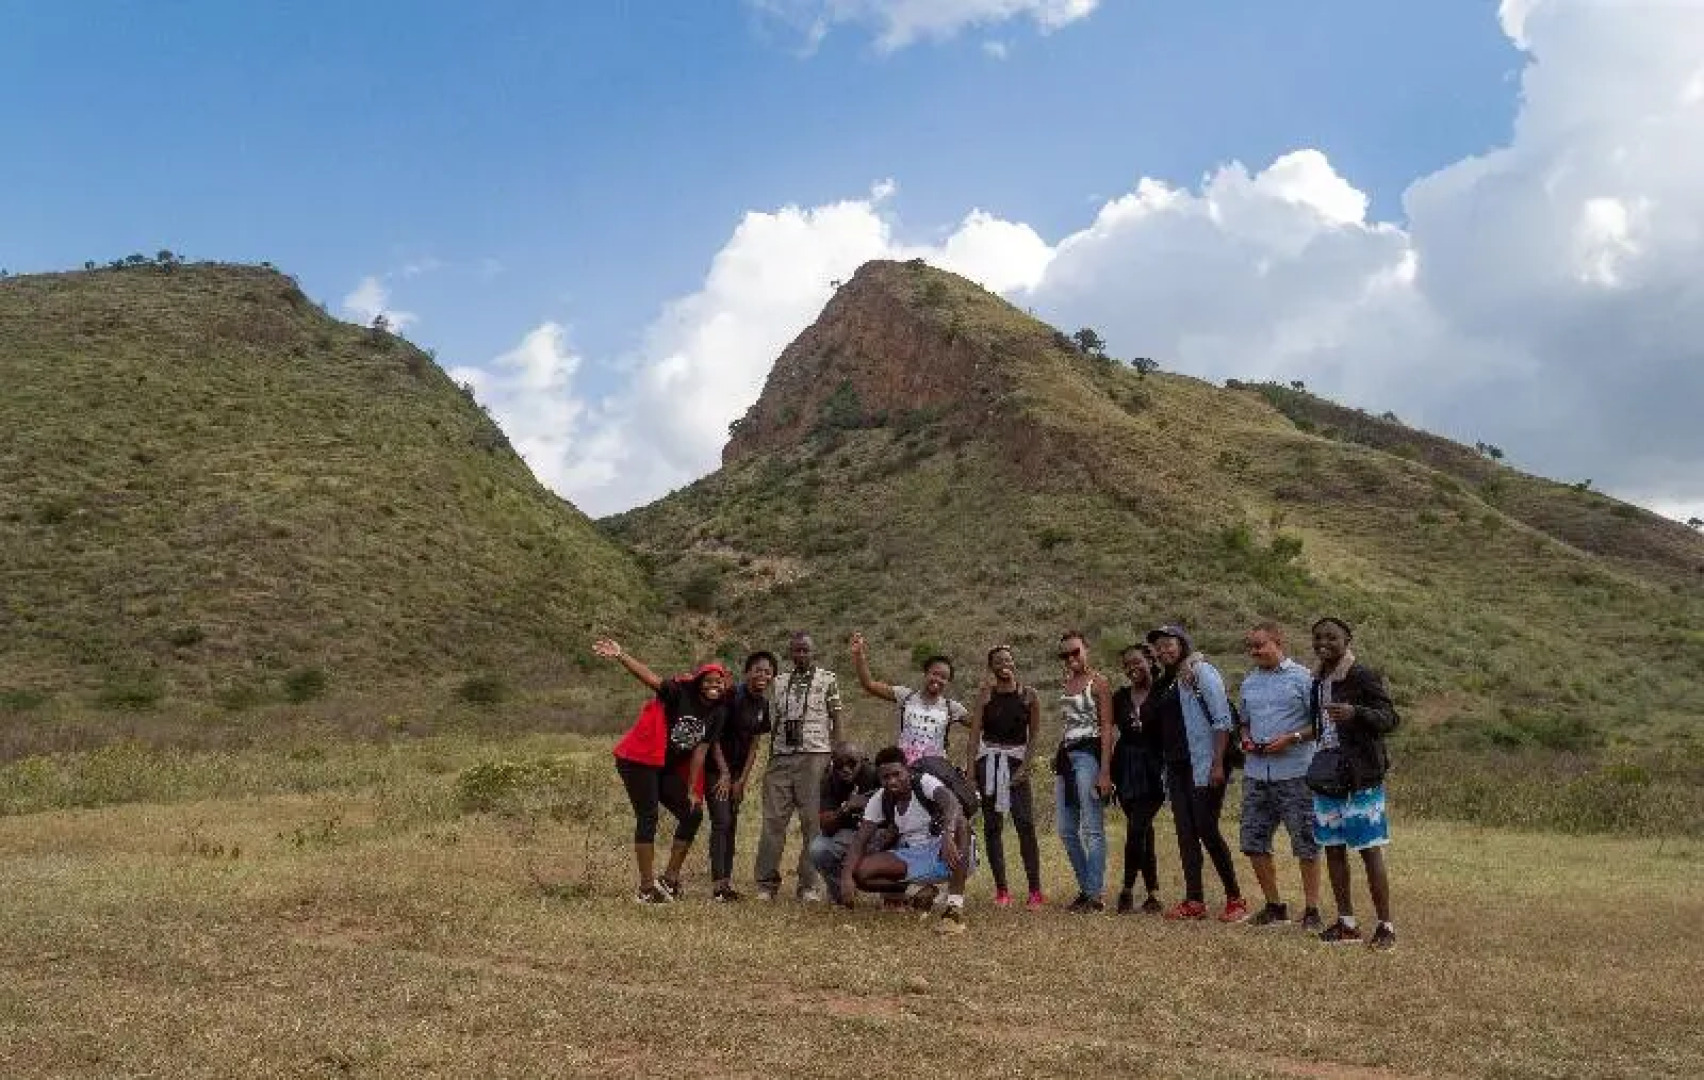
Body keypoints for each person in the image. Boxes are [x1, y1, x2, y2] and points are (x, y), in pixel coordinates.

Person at [596, 638, 728, 904]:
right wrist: (621, 654)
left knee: (692, 813)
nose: (714, 686)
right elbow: (649, 677)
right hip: (638, 760)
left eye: (719, 682)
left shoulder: (717, 712)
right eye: (709, 681)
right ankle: (646, 888)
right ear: (700, 681)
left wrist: (691, 789)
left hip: (663, 766)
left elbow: (700, 752)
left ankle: (668, 880)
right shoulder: (679, 692)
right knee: (648, 816)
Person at [1309, 617, 1401, 950]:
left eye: (1332, 638)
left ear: (1347, 640)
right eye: (1318, 638)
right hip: (1328, 775)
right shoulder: (1316, 680)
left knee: (1368, 850)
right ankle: (1347, 923)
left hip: (1360, 776)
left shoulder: (1361, 675)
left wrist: (1355, 712)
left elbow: (1390, 719)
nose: (1324, 643)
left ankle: (1385, 926)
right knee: (1333, 848)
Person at [1148, 624, 1248, 922]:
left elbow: (1221, 720)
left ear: (1183, 644)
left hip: (1205, 762)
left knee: (1206, 827)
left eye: (1169, 644)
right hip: (1177, 766)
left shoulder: (1201, 671)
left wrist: (1217, 764)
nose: (1164, 650)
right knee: (1185, 833)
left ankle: (1235, 898)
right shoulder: (1165, 681)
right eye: (1159, 646)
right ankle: (1194, 901)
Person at [1237, 623, 1323, 930]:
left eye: (1261, 644)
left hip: (1296, 773)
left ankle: (1312, 909)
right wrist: (1246, 739)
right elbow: (1244, 722)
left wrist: (1292, 738)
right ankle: (1275, 906)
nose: (1255, 651)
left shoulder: (1303, 678)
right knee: (1252, 841)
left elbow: (1321, 724)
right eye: (1251, 646)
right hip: (1257, 773)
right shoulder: (1248, 683)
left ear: (1278, 642)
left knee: (1305, 842)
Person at [840, 745, 975, 935]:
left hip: (948, 852)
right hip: (913, 855)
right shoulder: (880, 799)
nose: (892, 781)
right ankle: (918, 891)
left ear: (907, 770)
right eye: (886, 777)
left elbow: (952, 803)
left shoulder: (924, 782)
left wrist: (947, 834)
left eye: (897, 774)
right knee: (861, 873)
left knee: (962, 824)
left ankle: (953, 911)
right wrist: (846, 877)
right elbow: (859, 840)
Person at [754, 632, 843, 902]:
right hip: (781, 756)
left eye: (805, 650)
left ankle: (808, 886)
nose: (801, 655)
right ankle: (766, 884)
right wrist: (770, 759)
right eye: (796, 651)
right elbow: (775, 722)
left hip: (815, 755)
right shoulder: (779, 682)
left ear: (813, 652)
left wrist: (835, 756)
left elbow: (836, 717)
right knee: (773, 822)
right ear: (790, 653)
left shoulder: (828, 679)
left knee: (811, 823)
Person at [964, 645, 1044, 910]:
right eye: (997, 661)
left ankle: (1034, 890)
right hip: (988, 763)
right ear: (991, 668)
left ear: (1014, 662)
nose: (1003, 664)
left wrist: (1025, 767)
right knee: (992, 826)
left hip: (1015, 764)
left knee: (1025, 824)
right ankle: (1002, 890)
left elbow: (1033, 737)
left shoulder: (1029, 696)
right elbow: (974, 735)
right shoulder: (985, 696)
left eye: (1007, 659)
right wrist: (971, 773)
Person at [1053, 630, 1115, 913]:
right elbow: (1068, 724)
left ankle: (1095, 894)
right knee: (1066, 829)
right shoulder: (1066, 684)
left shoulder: (1099, 683)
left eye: (1075, 652)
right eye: (1065, 655)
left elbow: (1106, 729)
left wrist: (1105, 771)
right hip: (1066, 756)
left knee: (1092, 828)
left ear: (1086, 649)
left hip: (1089, 755)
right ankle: (1088, 888)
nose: (1070, 658)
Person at [706, 651, 775, 902]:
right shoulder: (731, 696)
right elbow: (712, 737)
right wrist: (724, 773)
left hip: (737, 773)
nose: (763, 675)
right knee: (721, 821)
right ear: (747, 672)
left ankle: (726, 884)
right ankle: (717, 886)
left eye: (768, 672)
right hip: (716, 768)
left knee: (732, 823)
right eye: (758, 670)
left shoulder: (763, 705)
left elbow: (755, 744)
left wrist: (742, 779)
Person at [848, 632, 968, 764]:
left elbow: (981, 724)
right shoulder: (905, 696)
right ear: (925, 673)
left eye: (944, 677)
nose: (938, 680)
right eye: (935, 674)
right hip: (904, 767)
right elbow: (869, 685)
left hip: (936, 769)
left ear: (948, 682)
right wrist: (859, 655)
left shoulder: (952, 707)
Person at [1111, 643, 1166, 915]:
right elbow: (1107, 730)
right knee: (1144, 831)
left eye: (1137, 662)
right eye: (1127, 665)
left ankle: (1127, 890)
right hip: (1125, 766)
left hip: (1154, 768)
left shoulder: (1164, 692)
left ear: (1150, 660)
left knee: (1137, 828)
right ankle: (1153, 893)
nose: (1132, 669)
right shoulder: (1120, 696)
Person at [807, 742, 882, 904]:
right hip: (847, 833)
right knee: (818, 848)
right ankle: (841, 896)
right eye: (840, 764)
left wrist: (869, 803)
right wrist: (846, 808)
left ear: (863, 760)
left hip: (877, 833)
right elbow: (825, 826)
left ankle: (893, 896)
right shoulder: (829, 780)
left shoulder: (876, 774)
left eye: (852, 763)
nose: (846, 769)